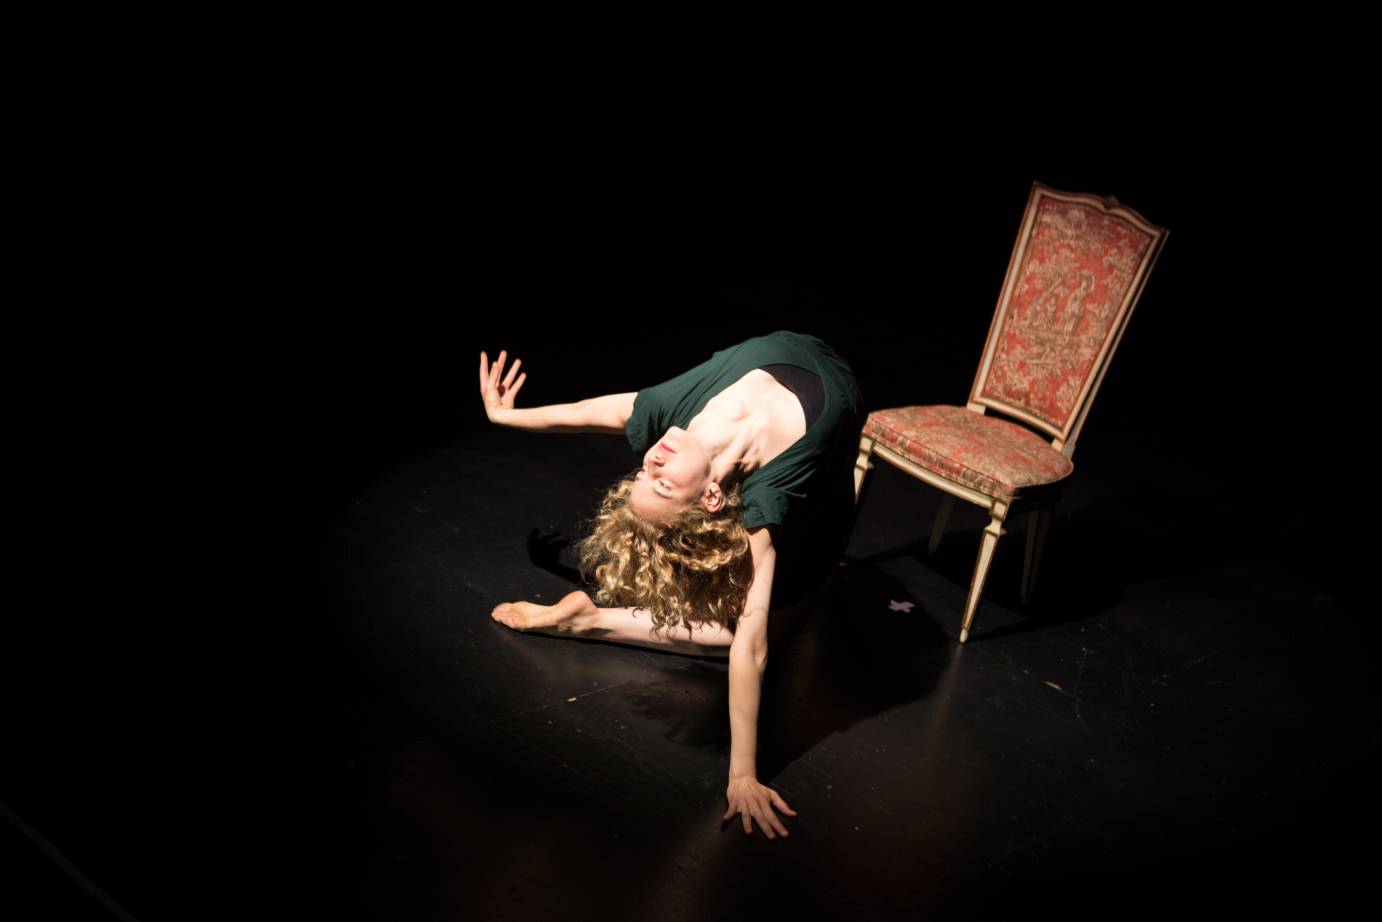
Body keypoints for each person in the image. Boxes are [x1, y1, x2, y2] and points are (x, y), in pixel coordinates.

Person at [478, 330, 866, 840]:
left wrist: (506, 417)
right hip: (826, 478)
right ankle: (594, 621)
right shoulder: (765, 503)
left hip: (824, 447)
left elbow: (593, 413)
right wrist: (742, 773)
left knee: (784, 585)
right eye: (660, 482)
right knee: (761, 628)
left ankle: (599, 615)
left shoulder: (672, 409)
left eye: (644, 473)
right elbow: (751, 648)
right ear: (710, 497)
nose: (653, 460)